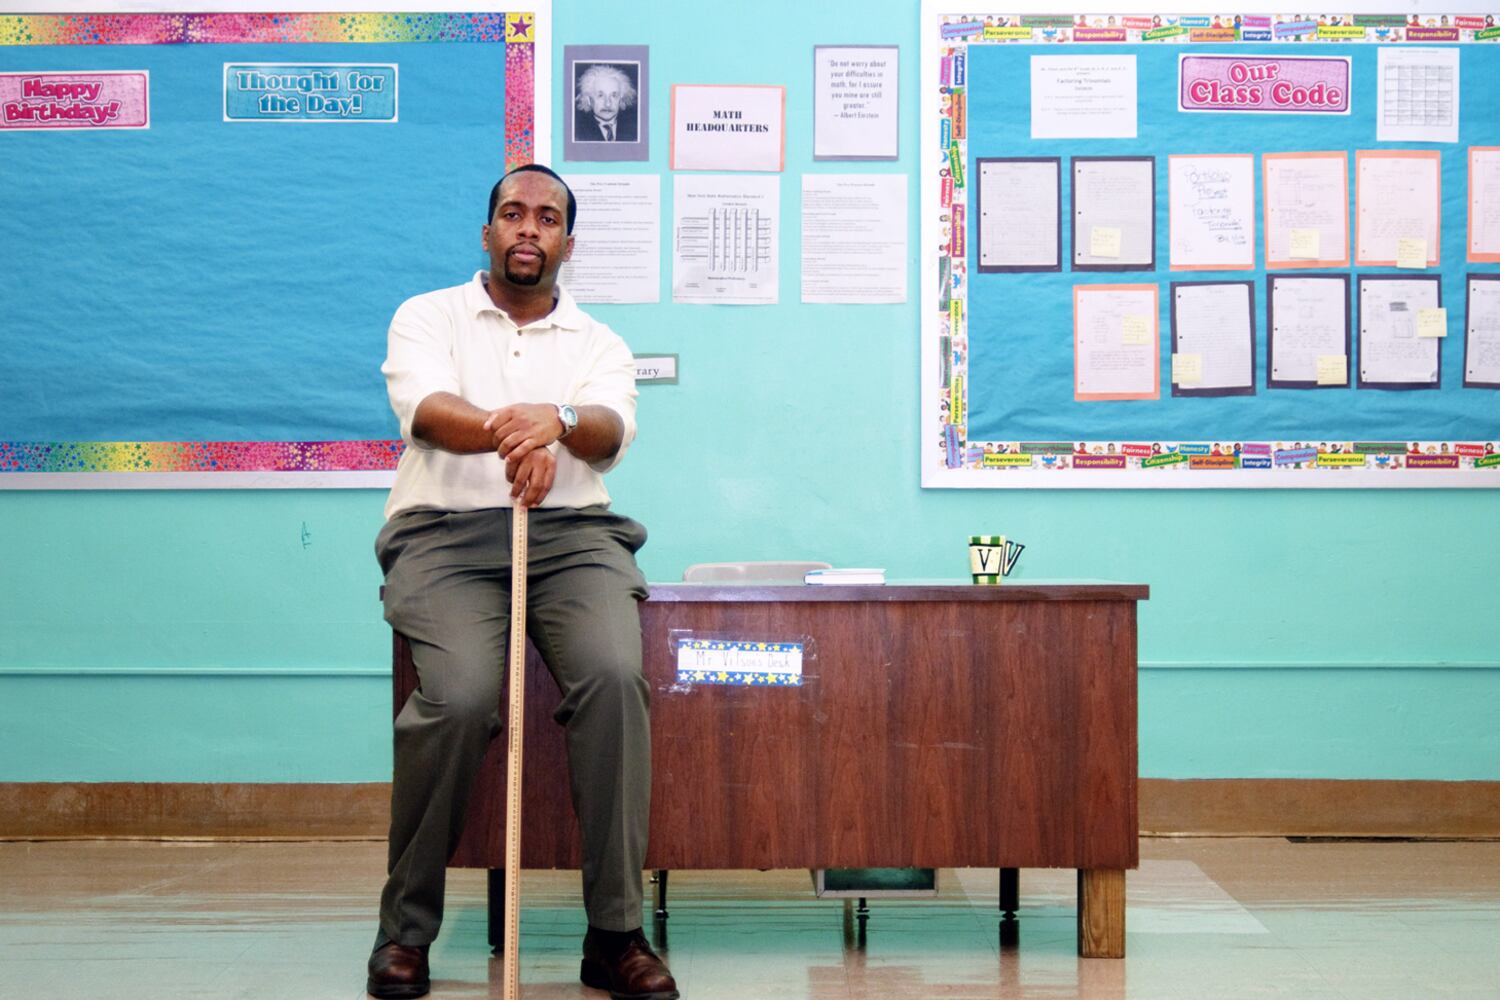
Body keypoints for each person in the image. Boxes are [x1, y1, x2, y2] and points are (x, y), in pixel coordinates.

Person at [366, 164, 677, 1000]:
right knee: (461, 697)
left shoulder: (598, 344)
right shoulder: (426, 316)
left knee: (616, 679)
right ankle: (405, 933)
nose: (527, 229)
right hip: (443, 535)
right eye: (512, 214)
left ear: (568, 242)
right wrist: (523, 437)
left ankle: (614, 935)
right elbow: (428, 412)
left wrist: (563, 422)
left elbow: (607, 429)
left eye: (546, 218)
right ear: (488, 233)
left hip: (573, 539)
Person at [574, 63, 638, 143]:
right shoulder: (576, 131)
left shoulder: (635, 129)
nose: (608, 104)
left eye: (614, 95)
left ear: (621, 99)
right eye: (600, 95)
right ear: (588, 99)